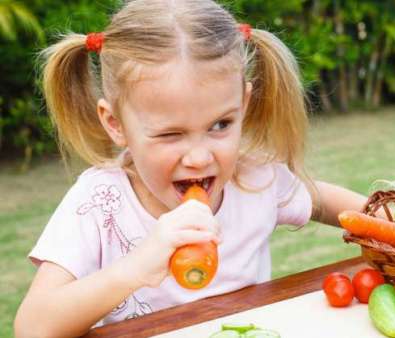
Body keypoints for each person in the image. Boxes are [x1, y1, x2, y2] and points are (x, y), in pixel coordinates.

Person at [13, 0, 367, 337]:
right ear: (115, 123)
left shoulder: (256, 181)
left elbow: (326, 203)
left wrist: (390, 219)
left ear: (242, 104)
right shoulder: (100, 202)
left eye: (220, 125)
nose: (199, 158)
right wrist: (137, 267)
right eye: (170, 134)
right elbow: (33, 328)